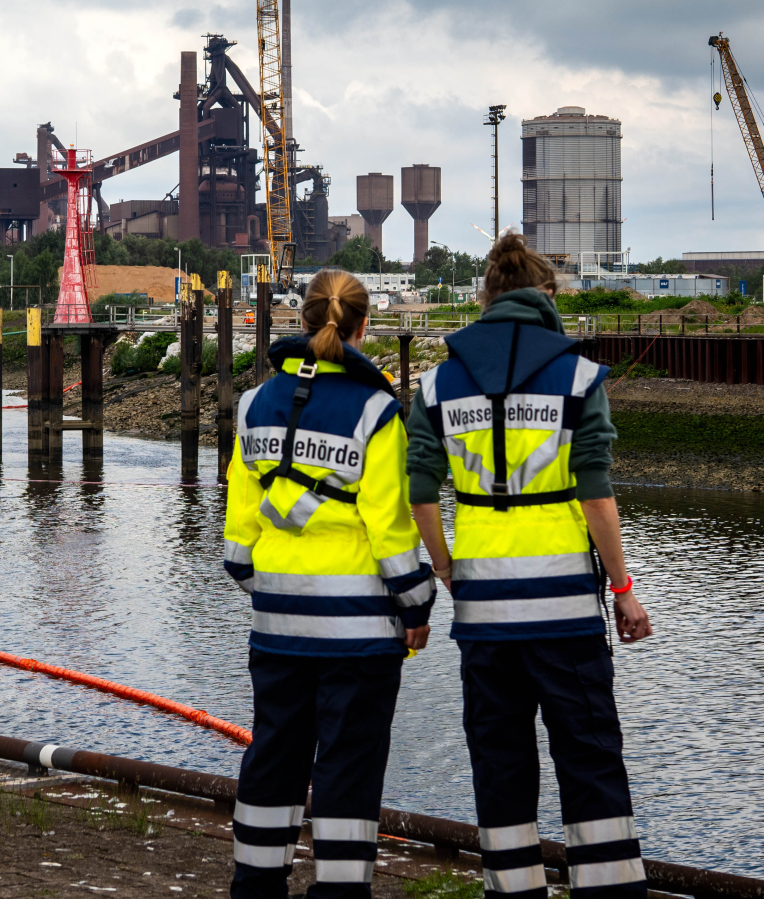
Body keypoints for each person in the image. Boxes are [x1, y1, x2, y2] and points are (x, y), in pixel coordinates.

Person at [406, 234, 652, 899]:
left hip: (484, 615)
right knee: (590, 758)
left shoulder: (438, 382)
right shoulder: (577, 377)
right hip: (567, 612)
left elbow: (421, 491)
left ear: (485, 298)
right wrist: (623, 589)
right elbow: (595, 494)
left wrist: (447, 565)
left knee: (501, 764)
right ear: (545, 296)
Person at [225, 269, 435, 899]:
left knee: (273, 758)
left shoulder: (253, 405)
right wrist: (419, 601)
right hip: (360, 637)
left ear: (302, 317)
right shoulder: (377, 411)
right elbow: (392, 531)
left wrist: (280, 591)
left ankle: (256, 887)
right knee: (348, 767)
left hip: (278, 630)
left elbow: (237, 549)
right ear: (363, 326)